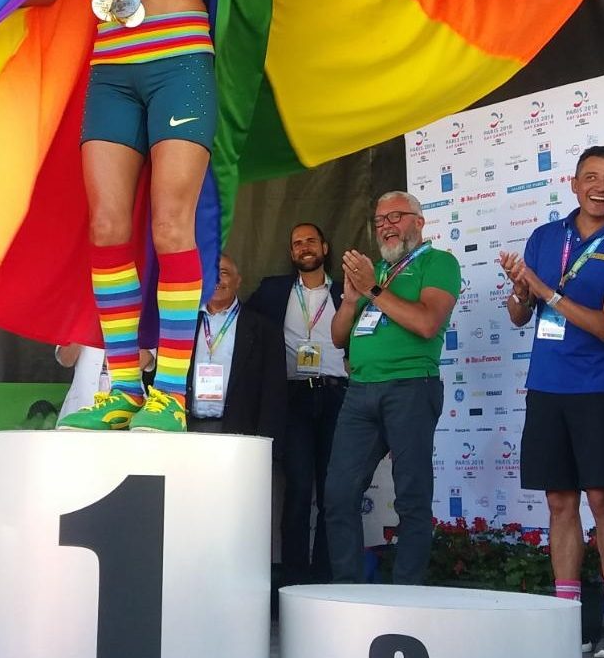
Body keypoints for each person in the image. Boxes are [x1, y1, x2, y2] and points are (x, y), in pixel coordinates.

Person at [38, 0, 217, 433]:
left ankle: (169, 392)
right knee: (108, 227)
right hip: (113, 69)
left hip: (182, 67)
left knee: (171, 227)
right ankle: (121, 389)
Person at [499, 146, 604, 658]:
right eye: (591, 177)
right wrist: (520, 291)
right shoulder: (545, 237)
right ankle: (566, 614)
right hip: (547, 386)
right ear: (574, 183)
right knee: (559, 502)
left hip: (598, 388)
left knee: (602, 500)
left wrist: (545, 289)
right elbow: (522, 316)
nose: (601, 187)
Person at [324, 192, 460, 585]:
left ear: (419, 221)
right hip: (361, 390)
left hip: (410, 387)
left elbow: (426, 323)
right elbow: (337, 338)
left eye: (396, 216)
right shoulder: (377, 272)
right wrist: (351, 302)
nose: (385, 225)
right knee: (338, 494)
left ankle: (406, 592)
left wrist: (373, 291)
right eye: (380, 219)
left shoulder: (438, 263)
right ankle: (347, 591)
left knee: (412, 497)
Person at [248, 222, 346, 584]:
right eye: (297, 243)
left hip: (337, 394)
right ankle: (292, 583)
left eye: (310, 241)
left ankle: (323, 580)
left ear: (324, 247)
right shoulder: (272, 291)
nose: (304, 247)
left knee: (333, 491)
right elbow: (246, 331)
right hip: (292, 398)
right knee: (299, 488)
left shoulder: (347, 290)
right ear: (291, 254)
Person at [186, 254, 286, 443]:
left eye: (223, 273)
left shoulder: (264, 329)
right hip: (187, 430)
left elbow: (274, 393)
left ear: (238, 281)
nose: (216, 279)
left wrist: (267, 443)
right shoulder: (182, 324)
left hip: (240, 434)